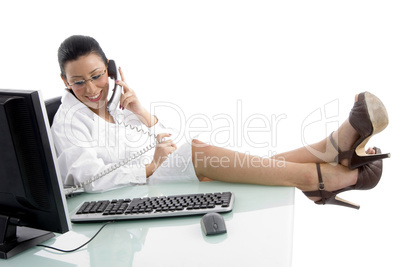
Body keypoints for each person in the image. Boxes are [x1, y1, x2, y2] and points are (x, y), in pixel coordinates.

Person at [53, 35, 390, 209]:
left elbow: (164, 147)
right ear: (65, 81)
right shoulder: (69, 121)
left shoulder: (120, 105)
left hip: (144, 189)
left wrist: (143, 114)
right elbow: (85, 178)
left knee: (231, 165)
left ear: (109, 70)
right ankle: (320, 174)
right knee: (199, 154)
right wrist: (148, 169)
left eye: (97, 76)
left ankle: (329, 152)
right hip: (123, 197)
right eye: (78, 81)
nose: (91, 88)